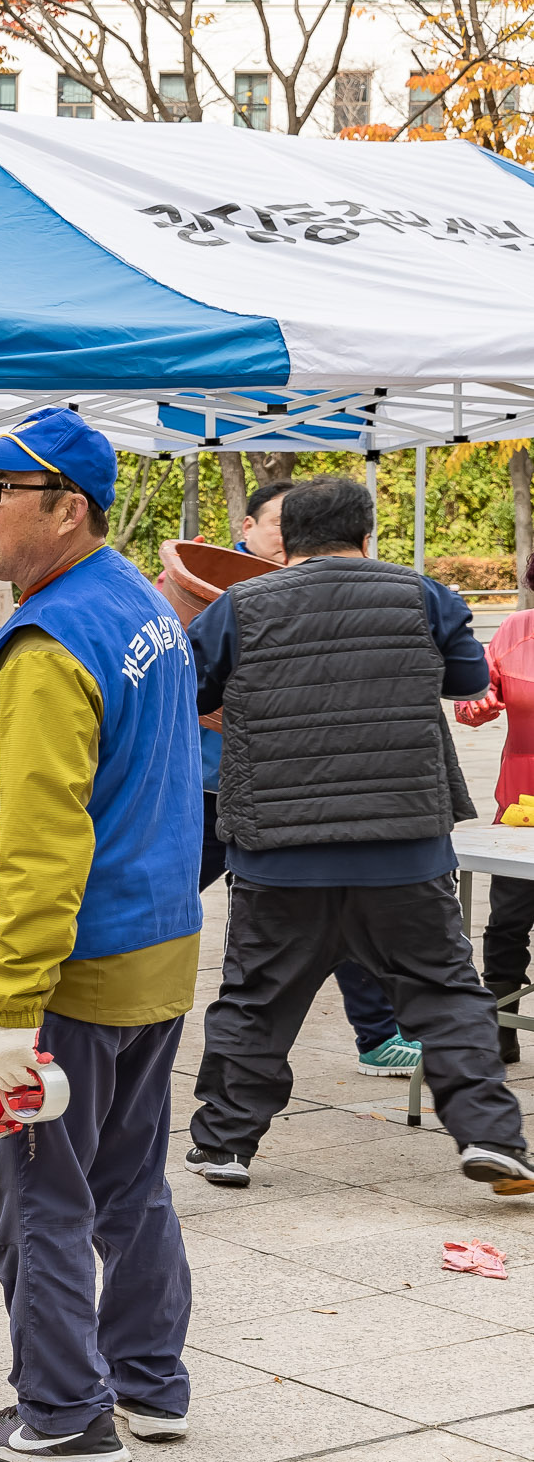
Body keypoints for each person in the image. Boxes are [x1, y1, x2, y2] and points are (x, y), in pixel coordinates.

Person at [0, 408, 200, 1462]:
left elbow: (42, 843)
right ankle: (148, 1381)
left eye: (1, 489)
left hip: (66, 975)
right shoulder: (137, 600)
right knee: (130, 1176)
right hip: (152, 949)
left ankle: (61, 1413)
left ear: (67, 508)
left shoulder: (50, 644)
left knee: (41, 1191)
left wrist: (10, 1005)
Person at [185, 475, 533, 1196]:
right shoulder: (424, 594)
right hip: (402, 848)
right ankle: (493, 1138)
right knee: (445, 990)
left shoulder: (239, 606)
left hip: (279, 850)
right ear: (367, 534)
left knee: (256, 995)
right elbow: (468, 679)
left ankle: (225, 1145)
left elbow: (194, 694)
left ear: (287, 541)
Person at [184, 483, 421, 1078]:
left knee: (336, 910)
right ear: (247, 526)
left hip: (287, 796)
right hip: (207, 787)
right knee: (164, 893)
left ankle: (375, 1035)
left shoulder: (332, 597)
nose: (290, 536)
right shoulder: (216, 600)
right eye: (278, 523)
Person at [457, 560, 534, 1064]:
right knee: (509, 917)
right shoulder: (515, 630)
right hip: (524, 802)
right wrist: (478, 704)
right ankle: (501, 1022)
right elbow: (471, 696)